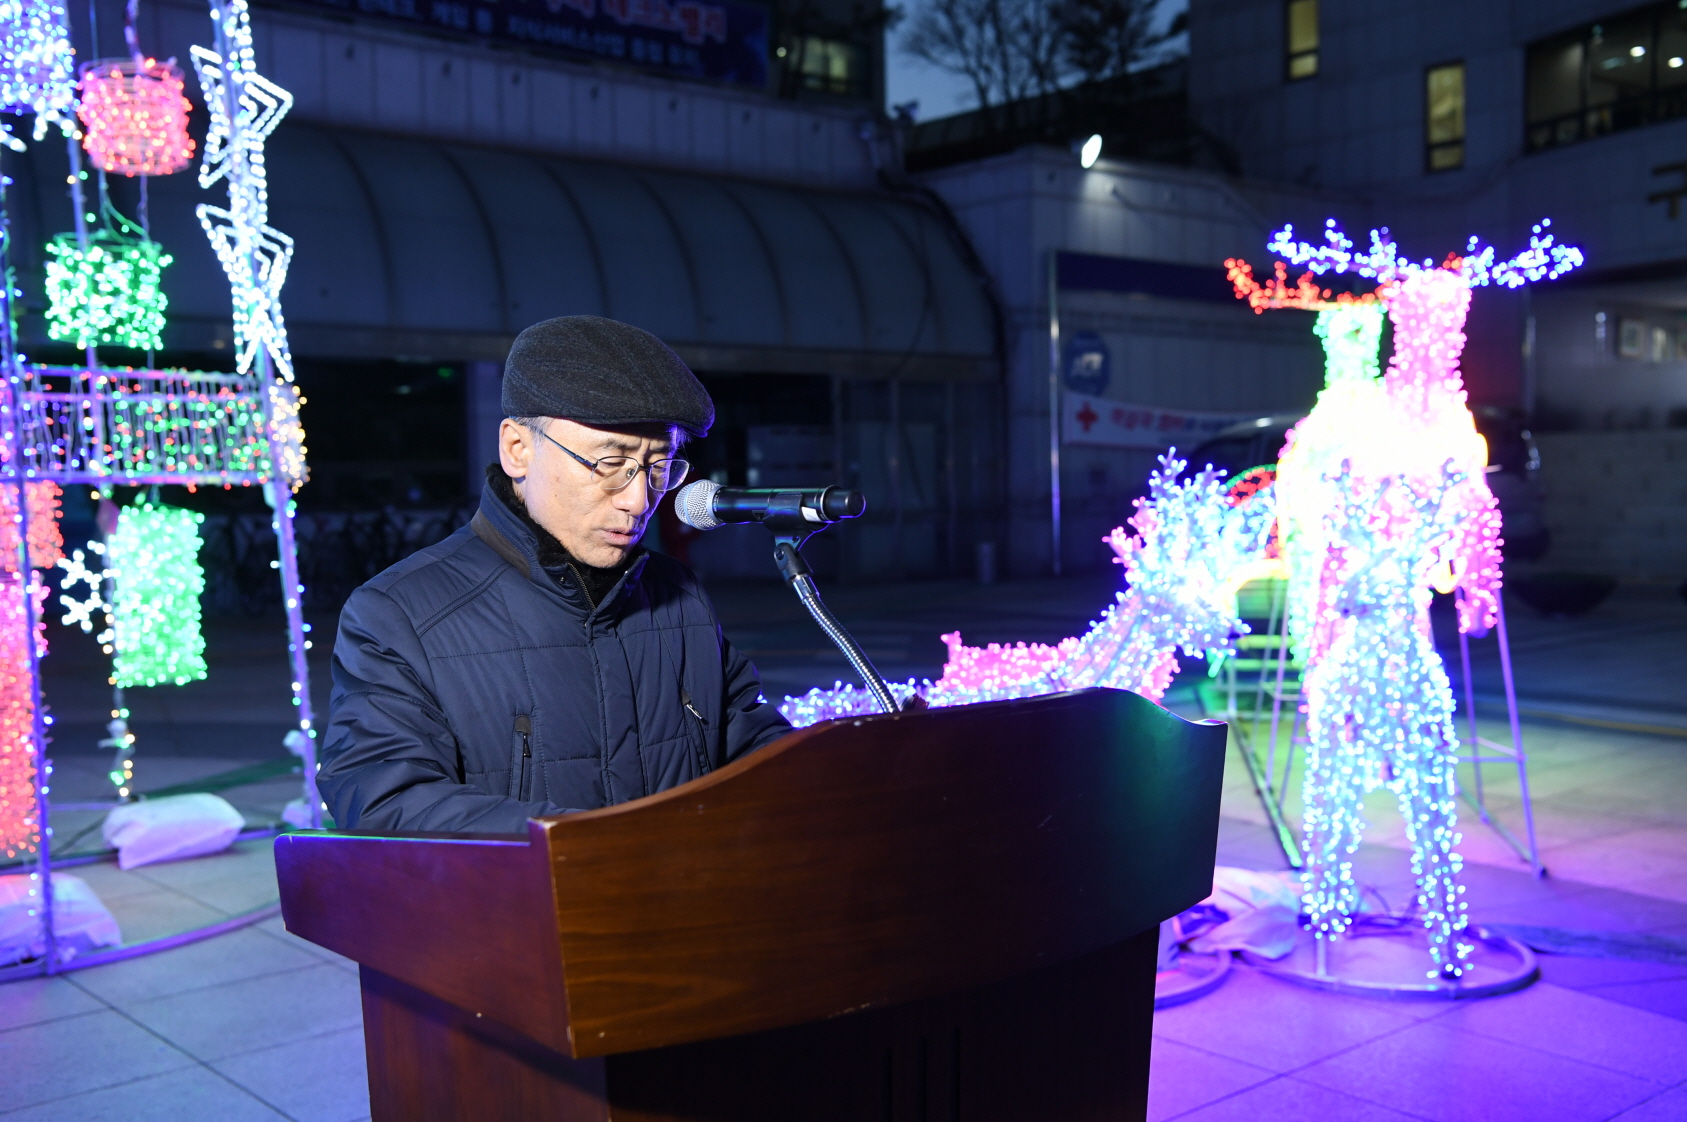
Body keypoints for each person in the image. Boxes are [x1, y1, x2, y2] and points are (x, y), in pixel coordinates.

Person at [317, 316, 792, 832]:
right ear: (518, 449)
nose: (639, 500)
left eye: (660, 466)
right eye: (610, 462)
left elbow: (751, 744)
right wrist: (605, 847)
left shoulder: (679, 594)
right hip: (527, 913)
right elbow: (383, 803)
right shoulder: (398, 614)